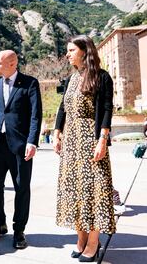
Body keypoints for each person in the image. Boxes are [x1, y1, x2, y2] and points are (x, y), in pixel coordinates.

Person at [53, 35, 116, 262]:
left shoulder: (101, 76)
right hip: (71, 141)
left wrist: (102, 140)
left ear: (84, 51)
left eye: (71, 50)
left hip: (90, 138)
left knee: (94, 191)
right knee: (75, 190)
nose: (67, 54)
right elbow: (63, 108)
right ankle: (80, 239)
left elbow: (107, 109)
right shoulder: (71, 78)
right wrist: (57, 132)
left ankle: (92, 242)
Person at [0, 50, 42, 249]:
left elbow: (35, 115)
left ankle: (19, 230)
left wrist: (32, 141)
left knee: (21, 187)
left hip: (20, 146)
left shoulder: (30, 83)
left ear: (11, 63)